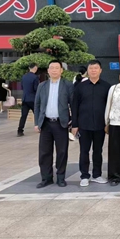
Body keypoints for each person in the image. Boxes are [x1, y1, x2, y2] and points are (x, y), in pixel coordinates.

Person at [71, 60, 111, 187]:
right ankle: (84, 175)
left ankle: (97, 174)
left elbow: (110, 106)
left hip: (100, 125)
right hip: (84, 125)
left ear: (100, 70)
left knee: (98, 151)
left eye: (96, 68)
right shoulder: (80, 87)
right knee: (84, 151)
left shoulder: (106, 87)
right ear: (87, 71)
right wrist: (74, 125)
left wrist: (108, 123)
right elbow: (74, 106)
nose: (93, 70)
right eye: (91, 68)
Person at [34, 60, 73, 188]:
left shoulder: (67, 85)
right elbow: (37, 105)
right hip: (46, 123)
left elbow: (73, 104)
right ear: (48, 71)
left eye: (57, 68)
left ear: (61, 70)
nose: (54, 70)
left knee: (62, 152)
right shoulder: (42, 86)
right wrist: (37, 123)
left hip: (61, 123)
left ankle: (61, 178)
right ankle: (46, 178)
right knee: (44, 152)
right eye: (52, 68)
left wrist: (73, 122)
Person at [18, 63, 39, 137]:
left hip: (25, 98)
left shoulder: (24, 76)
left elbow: (22, 87)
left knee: (23, 116)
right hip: (33, 99)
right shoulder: (35, 77)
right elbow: (36, 88)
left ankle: (20, 130)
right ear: (35, 68)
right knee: (37, 114)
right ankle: (39, 127)